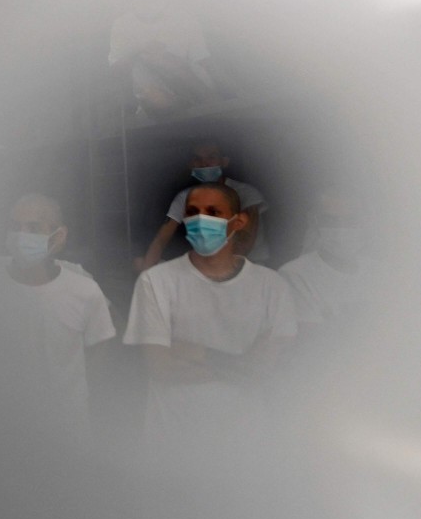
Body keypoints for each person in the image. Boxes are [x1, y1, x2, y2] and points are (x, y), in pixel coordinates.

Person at [123, 182, 297, 456]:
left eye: (214, 212)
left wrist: (195, 351)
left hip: (246, 444)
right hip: (172, 442)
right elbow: (161, 368)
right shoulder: (156, 281)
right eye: (193, 212)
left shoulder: (272, 286)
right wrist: (235, 361)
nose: (201, 220)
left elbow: (262, 371)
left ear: (238, 221)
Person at [0, 193, 115, 441]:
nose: (21, 235)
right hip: (0, 426)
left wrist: (76, 391)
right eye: (15, 226)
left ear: (58, 237)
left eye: (34, 227)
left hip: (65, 429)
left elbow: (101, 346)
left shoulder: (83, 290)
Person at [139, 139, 269, 270]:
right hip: (207, 266)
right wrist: (147, 272)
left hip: (249, 265)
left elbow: (245, 242)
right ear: (191, 164)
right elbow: (161, 239)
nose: (204, 163)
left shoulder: (247, 193)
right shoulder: (185, 197)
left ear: (225, 162)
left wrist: (217, 273)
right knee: (149, 265)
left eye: (211, 157)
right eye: (197, 159)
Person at [279, 187, 364, 347]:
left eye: (350, 221)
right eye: (331, 221)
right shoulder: (295, 275)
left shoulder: (384, 273)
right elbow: (315, 344)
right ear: (314, 221)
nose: (341, 230)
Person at [107, 1, 217, 119]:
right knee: (153, 94)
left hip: (193, 87)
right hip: (153, 99)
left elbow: (203, 60)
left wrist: (169, 62)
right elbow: (115, 70)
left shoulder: (185, 18)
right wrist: (137, 51)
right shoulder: (121, 24)